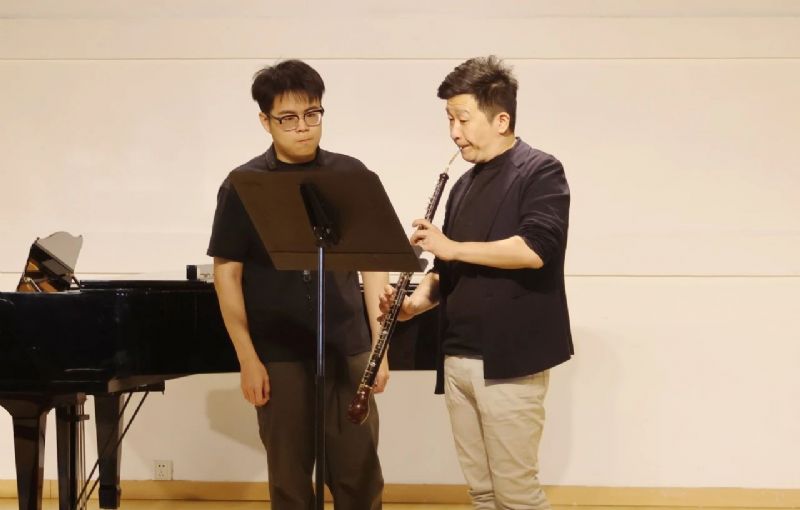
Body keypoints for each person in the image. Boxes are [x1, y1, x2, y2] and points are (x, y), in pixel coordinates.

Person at [381, 56, 573, 509]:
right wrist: (412, 306)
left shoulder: (540, 170)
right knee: (482, 493)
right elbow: (445, 270)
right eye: (449, 119)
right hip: (457, 356)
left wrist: (450, 247)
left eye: (463, 118)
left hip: (509, 360)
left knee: (517, 493)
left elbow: (534, 249)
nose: (454, 131)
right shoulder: (463, 184)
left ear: (501, 120)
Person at [208, 59, 387, 510]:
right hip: (278, 351)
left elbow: (373, 265)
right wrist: (247, 358)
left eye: (312, 114)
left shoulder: (350, 175)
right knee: (289, 481)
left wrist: (379, 348)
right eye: (288, 118)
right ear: (265, 121)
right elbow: (227, 273)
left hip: (347, 345)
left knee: (359, 474)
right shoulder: (244, 184)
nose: (303, 127)